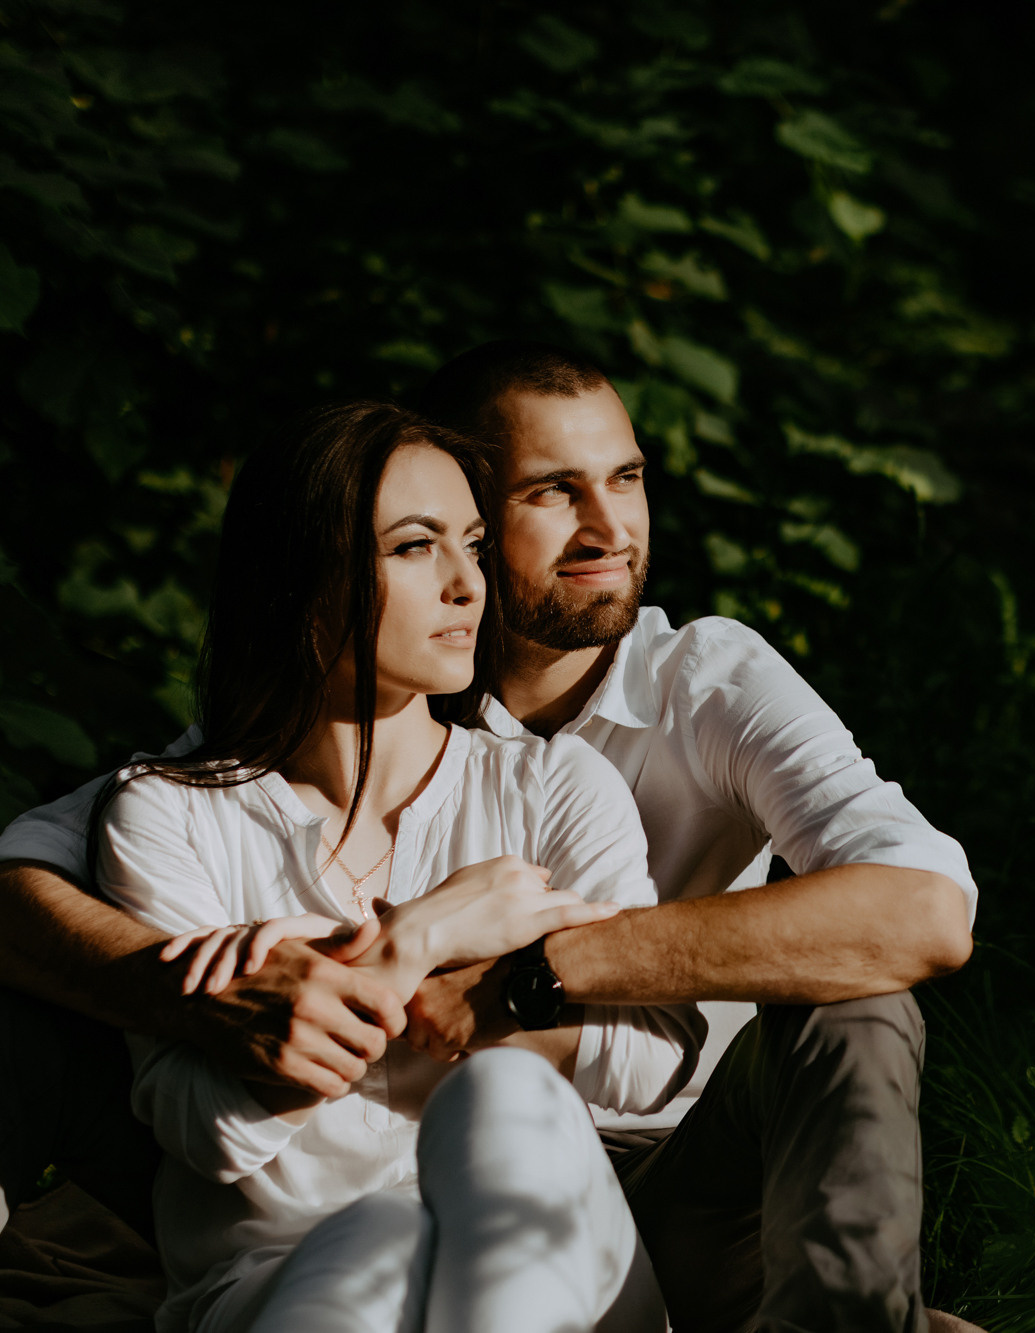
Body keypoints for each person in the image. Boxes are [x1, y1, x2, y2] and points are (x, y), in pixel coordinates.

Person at [0, 343, 977, 1333]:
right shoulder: (277, 738)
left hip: (643, 1165)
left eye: (627, 478)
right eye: (551, 491)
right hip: (313, 1186)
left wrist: (533, 972)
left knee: (851, 1003)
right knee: (30, 1019)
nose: (608, 528)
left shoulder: (684, 693)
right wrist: (193, 996)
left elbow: (920, 910)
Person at [99, 399, 698, 1331]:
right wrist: (420, 937)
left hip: (551, 1261)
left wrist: (360, 997)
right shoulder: (169, 814)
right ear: (299, 582)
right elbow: (206, 1129)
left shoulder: (550, 785)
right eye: (417, 547)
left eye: (472, 541)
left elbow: (650, 1054)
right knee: (367, 1241)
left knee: (505, 1094)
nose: (468, 584)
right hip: (278, 1272)